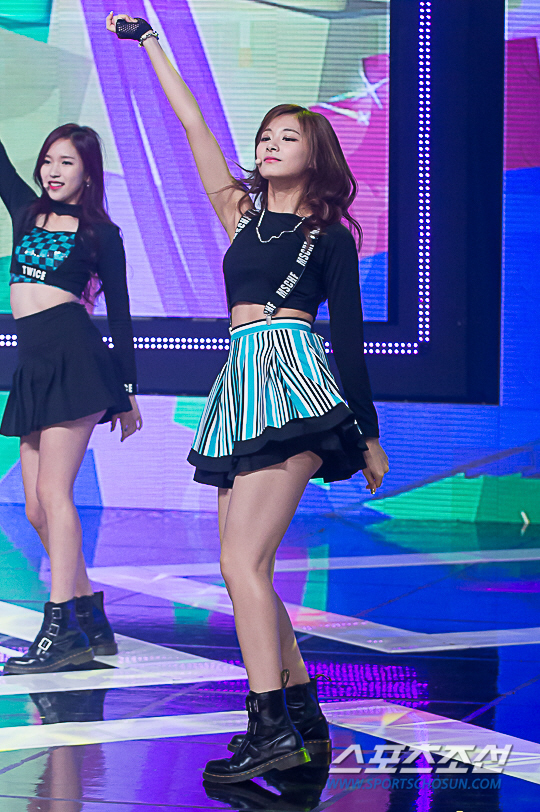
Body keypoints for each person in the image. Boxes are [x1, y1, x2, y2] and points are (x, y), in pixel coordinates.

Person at [108, 13, 388, 784]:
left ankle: (269, 730)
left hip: (293, 381)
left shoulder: (330, 237)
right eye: (264, 135)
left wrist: (367, 433)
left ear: (316, 155)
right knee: (243, 569)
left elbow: (351, 340)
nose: (269, 144)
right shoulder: (242, 214)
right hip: (239, 385)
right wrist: (151, 43)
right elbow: (192, 125)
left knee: (243, 563)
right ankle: (300, 718)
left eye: (286, 137)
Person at [0, 123, 142, 675]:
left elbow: (121, 314)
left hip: (75, 361)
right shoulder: (26, 212)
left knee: (53, 494)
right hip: (34, 365)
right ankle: (87, 615)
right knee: (37, 508)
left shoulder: (101, 233)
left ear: (87, 174)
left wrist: (127, 391)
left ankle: (61, 630)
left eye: (66, 163)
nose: (53, 171)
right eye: (48, 161)